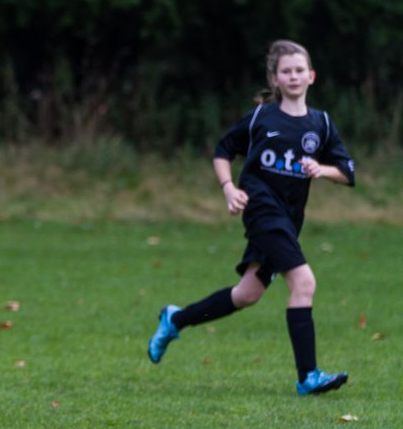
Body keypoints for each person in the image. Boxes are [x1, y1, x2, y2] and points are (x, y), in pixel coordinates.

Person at [148, 39, 356, 395]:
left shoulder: (320, 123)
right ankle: (308, 376)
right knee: (303, 283)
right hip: (261, 209)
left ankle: (175, 319)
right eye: (285, 71)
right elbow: (222, 150)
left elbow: (348, 171)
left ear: (311, 76)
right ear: (274, 79)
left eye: (299, 70)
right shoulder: (262, 117)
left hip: (289, 220)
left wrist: (321, 169)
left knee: (246, 295)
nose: (293, 76)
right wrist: (229, 187)